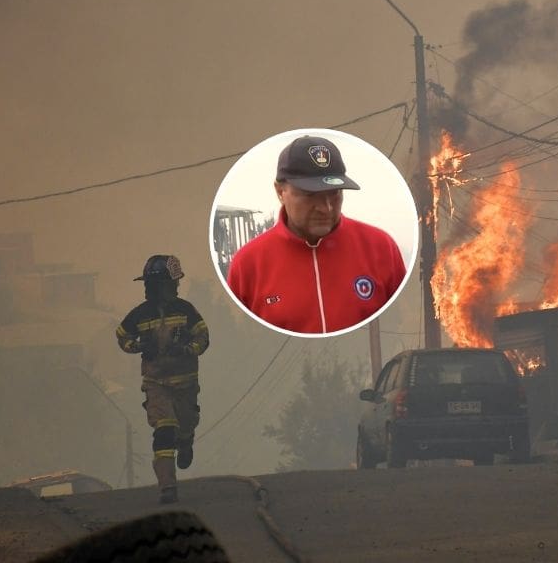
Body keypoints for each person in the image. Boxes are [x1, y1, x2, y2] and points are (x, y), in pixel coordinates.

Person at [227, 135, 407, 334]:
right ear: (280, 191)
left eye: (334, 193)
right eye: (310, 195)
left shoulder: (381, 248)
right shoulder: (247, 265)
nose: (326, 208)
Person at [116, 255, 209, 504]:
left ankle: (186, 440)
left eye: (157, 285)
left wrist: (188, 349)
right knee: (164, 430)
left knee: (186, 422)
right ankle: (167, 486)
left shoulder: (186, 311)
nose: (151, 290)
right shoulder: (139, 315)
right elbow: (121, 335)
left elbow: (203, 337)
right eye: (149, 285)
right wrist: (136, 346)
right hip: (156, 385)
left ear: (172, 285)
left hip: (185, 384)